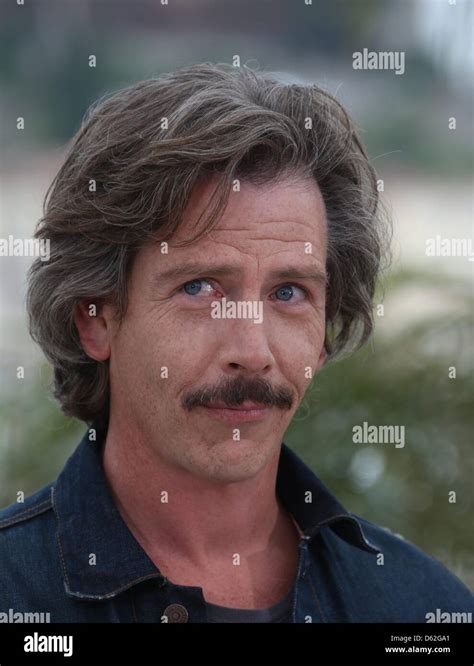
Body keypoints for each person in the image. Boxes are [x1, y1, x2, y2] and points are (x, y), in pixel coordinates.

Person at [0, 63, 472, 623]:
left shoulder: (422, 609)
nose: (252, 350)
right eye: (200, 288)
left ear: (325, 333)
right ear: (94, 317)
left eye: (289, 292)